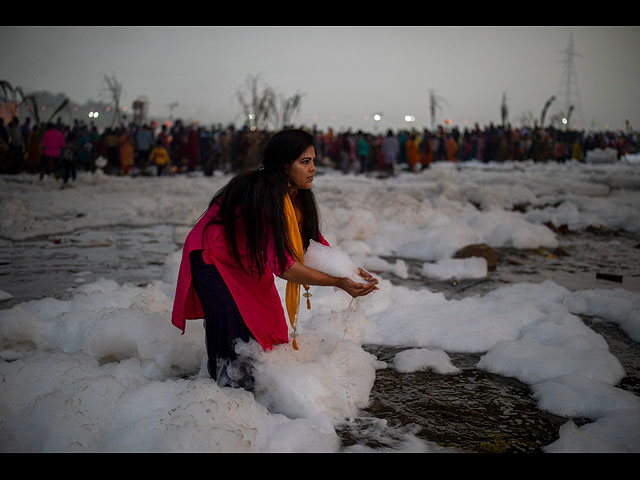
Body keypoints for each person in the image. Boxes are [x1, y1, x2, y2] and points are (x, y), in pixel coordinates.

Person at [172, 129, 378, 388]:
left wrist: (349, 270)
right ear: (283, 165)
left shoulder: (297, 192)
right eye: (305, 162)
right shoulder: (263, 194)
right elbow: (283, 267)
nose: (313, 168)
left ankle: (259, 392)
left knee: (268, 327)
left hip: (245, 257)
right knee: (234, 330)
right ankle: (223, 395)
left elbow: (309, 243)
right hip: (211, 258)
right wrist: (337, 282)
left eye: (314, 160)